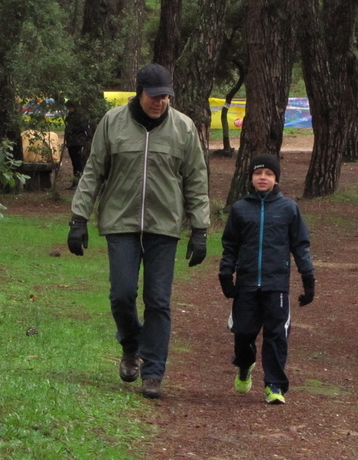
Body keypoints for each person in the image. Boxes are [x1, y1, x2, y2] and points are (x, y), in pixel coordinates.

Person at [66, 63, 210, 400]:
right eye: (154, 96)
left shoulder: (183, 128)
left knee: (158, 300)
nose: (161, 102)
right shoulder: (113, 123)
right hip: (121, 222)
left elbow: (197, 180)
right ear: (139, 92)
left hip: (165, 225)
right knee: (122, 294)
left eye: (166, 97)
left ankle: (153, 372)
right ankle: (131, 346)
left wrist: (200, 228)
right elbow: (93, 172)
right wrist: (78, 218)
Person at [218, 153, 315, 405]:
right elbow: (230, 245)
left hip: (276, 286)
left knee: (276, 335)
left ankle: (274, 385)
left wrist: (308, 278)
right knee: (244, 332)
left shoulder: (289, 209)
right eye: (258, 173)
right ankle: (244, 364)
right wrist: (226, 274)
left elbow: (300, 246)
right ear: (250, 178)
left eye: (269, 174)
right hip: (247, 284)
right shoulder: (240, 209)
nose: (263, 178)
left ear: (276, 180)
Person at [63, 100, 93, 190]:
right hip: (71, 141)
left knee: (78, 162)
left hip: (77, 141)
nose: (69, 110)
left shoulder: (80, 117)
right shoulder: (71, 116)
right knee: (74, 163)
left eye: (70, 108)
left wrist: (84, 139)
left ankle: (80, 182)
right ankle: (75, 182)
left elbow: (84, 129)